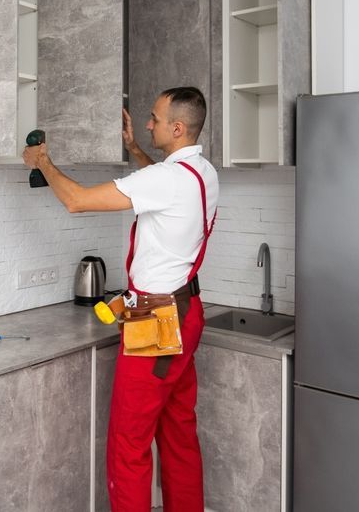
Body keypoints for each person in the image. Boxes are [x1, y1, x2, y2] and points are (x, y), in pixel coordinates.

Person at [22, 86, 219, 512]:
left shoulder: (166, 179)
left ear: (178, 127)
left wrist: (44, 162)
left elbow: (76, 202)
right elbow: (157, 185)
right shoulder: (201, 172)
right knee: (178, 432)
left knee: (128, 443)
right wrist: (133, 149)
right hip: (188, 309)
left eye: (154, 118)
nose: (147, 124)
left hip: (156, 316)